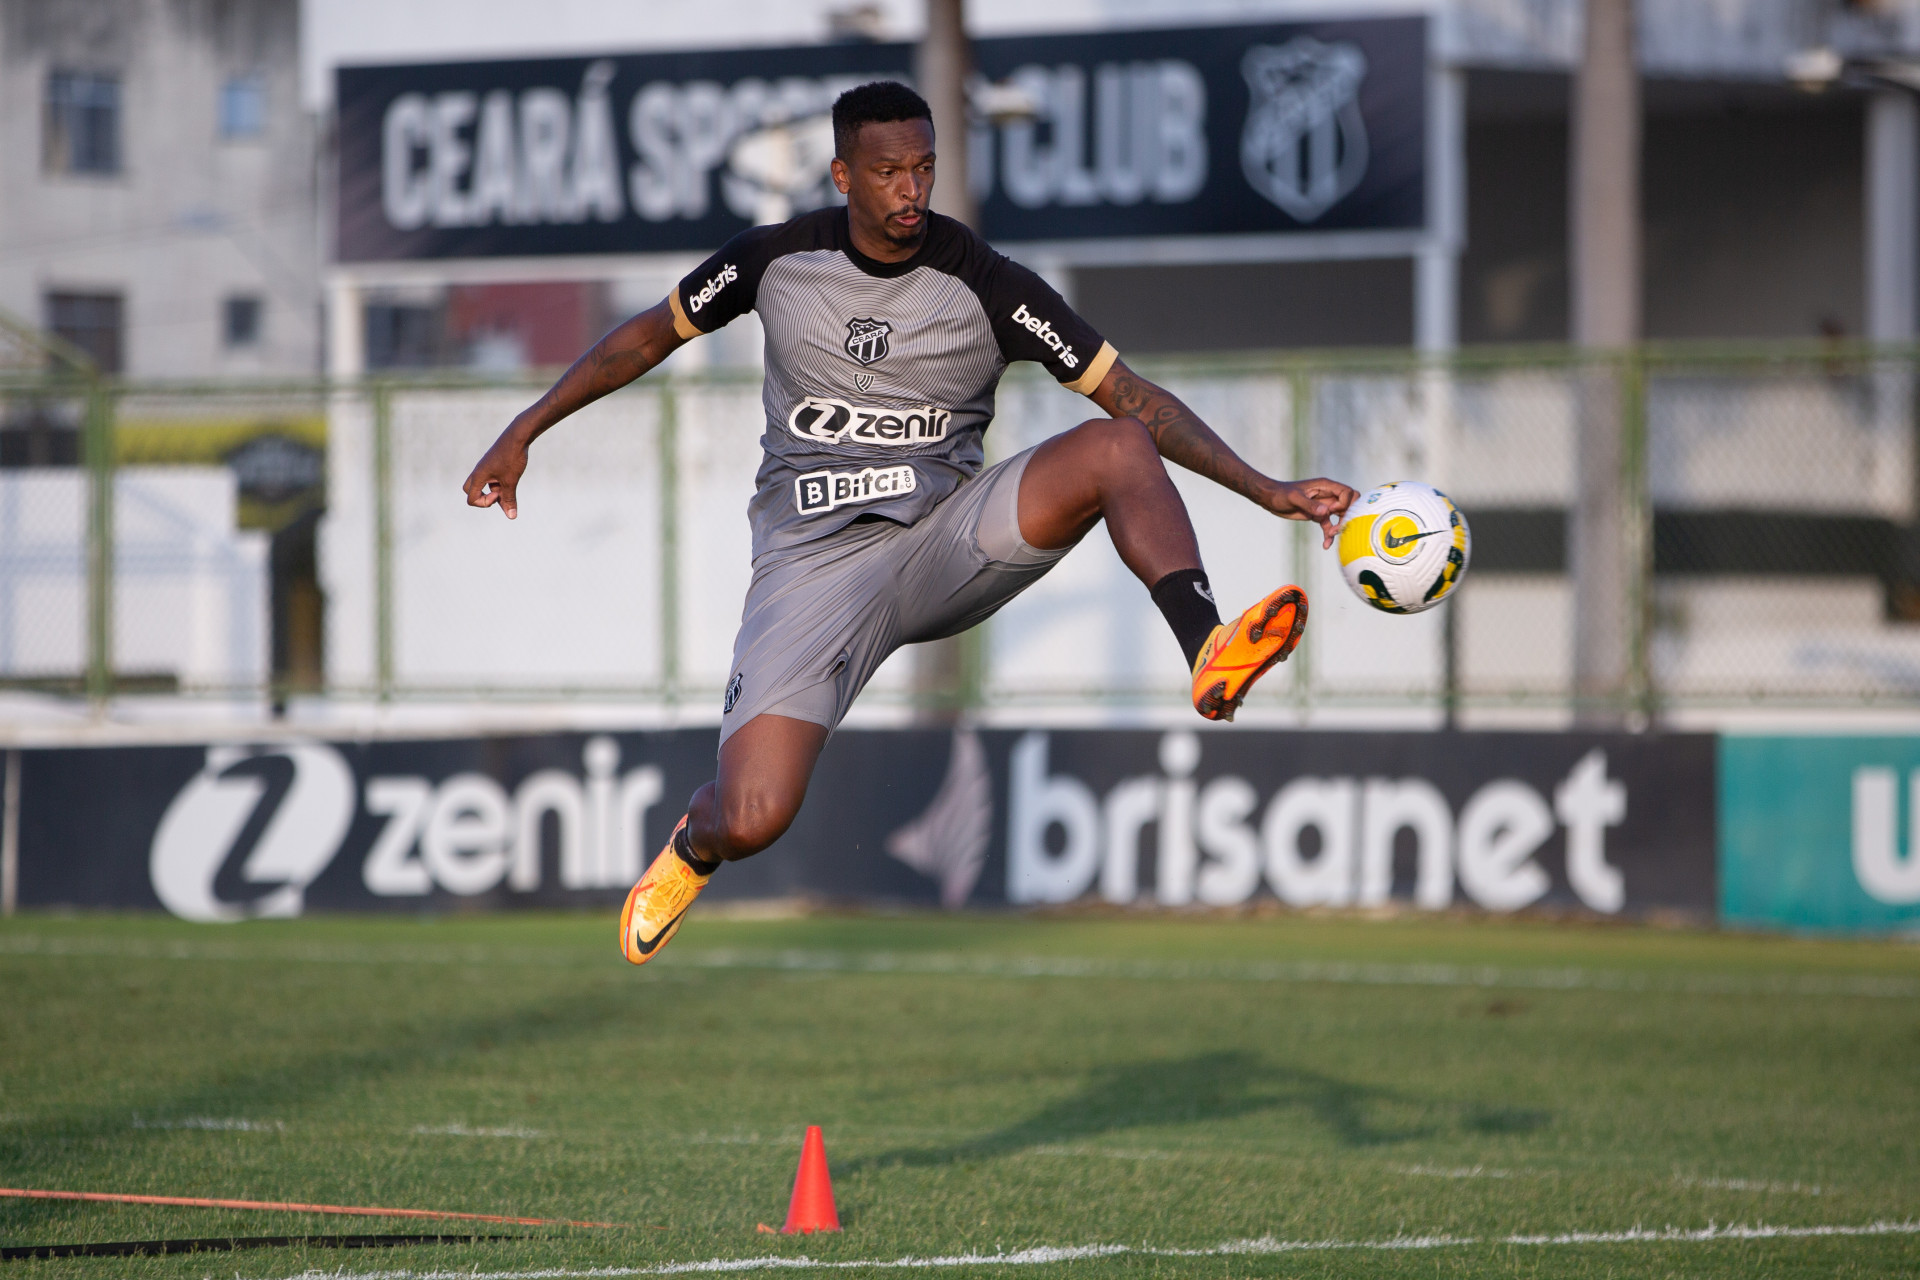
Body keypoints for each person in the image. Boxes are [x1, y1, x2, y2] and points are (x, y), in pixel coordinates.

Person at [462, 81, 1357, 964]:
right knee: (755, 816)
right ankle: (694, 844)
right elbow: (644, 338)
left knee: (1117, 444)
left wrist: (1265, 487)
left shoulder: (985, 282)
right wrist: (523, 428)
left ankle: (1206, 647)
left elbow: (1132, 394)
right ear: (843, 176)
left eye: (925, 168)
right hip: (808, 570)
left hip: (942, 541)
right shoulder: (775, 261)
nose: (912, 191)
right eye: (889, 172)